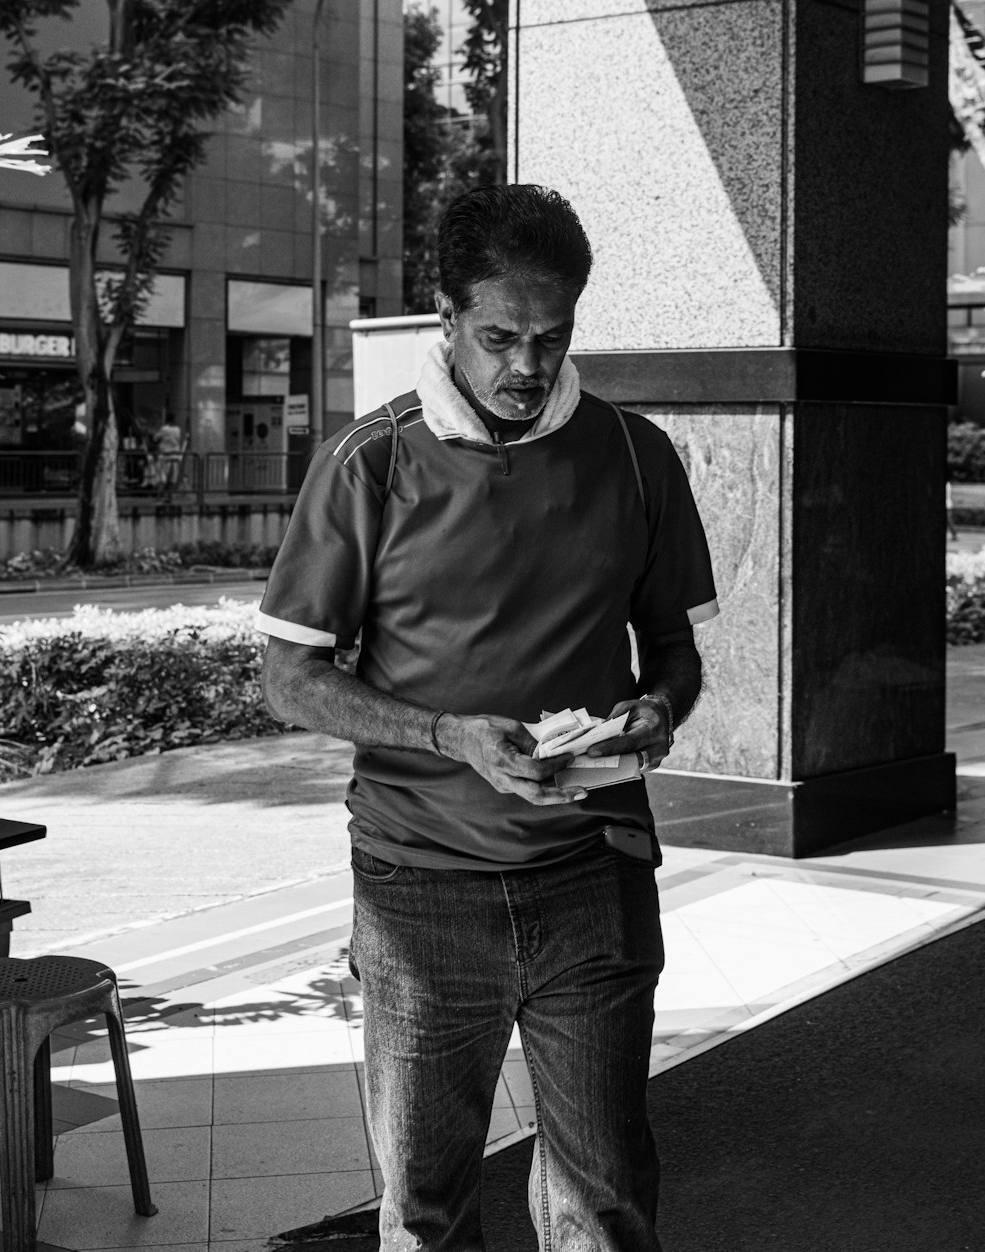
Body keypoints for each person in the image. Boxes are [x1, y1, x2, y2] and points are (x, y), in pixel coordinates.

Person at [259, 185, 719, 1252]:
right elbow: (290, 679)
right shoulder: (367, 462)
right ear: (446, 318)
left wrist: (660, 708)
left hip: (593, 877)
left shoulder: (636, 455)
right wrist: (446, 733)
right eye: (499, 336)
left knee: (604, 1202)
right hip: (419, 888)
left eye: (550, 338)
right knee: (423, 1216)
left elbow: (679, 648)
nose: (526, 364)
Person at [154, 412, 183, 494]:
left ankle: (161, 493)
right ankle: (171, 494)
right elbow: (178, 440)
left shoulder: (164, 429)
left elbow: (155, 438)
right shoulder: (178, 429)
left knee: (162, 475)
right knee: (173, 476)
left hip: (165, 455)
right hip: (175, 455)